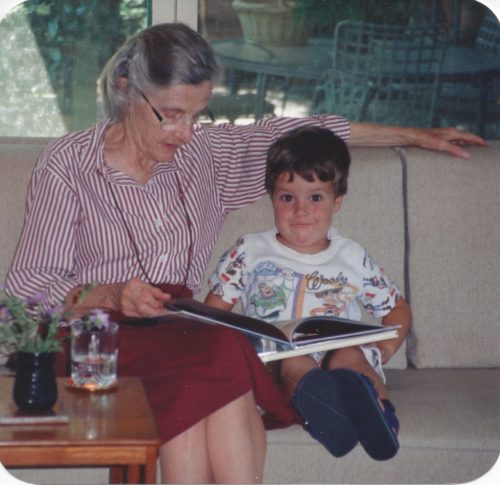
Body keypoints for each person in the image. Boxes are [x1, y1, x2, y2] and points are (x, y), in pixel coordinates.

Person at [4, 22, 484, 484]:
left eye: (197, 115)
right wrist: (110, 295)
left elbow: (311, 131)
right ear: (128, 88)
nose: (185, 134)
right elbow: (25, 292)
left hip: (182, 330)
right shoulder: (67, 164)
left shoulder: (207, 156)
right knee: (215, 360)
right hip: (97, 338)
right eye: (171, 114)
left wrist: (416, 135)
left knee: (218, 350)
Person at [205, 126, 412, 461]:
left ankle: (379, 413)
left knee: (347, 356)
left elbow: (397, 309)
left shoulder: (352, 256)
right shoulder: (251, 250)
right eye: (288, 197)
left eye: (315, 197)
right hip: (275, 359)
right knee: (293, 359)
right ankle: (324, 409)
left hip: (340, 352)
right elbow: (215, 313)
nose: (300, 211)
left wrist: (387, 347)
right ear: (272, 197)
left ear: (337, 201)